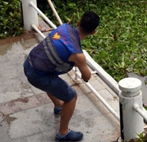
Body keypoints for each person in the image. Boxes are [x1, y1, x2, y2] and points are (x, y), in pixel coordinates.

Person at [23, 12, 101, 142]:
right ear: (93, 32)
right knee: (71, 97)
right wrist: (80, 62)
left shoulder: (63, 28)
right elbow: (87, 77)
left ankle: (59, 106)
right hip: (38, 76)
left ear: (78, 23)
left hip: (28, 64)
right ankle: (63, 133)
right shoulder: (77, 54)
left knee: (53, 80)